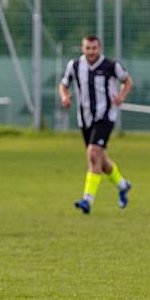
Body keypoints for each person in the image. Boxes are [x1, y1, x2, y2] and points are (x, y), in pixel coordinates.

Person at [60, 34, 133, 214]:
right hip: (84, 118)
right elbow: (64, 85)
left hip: (105, 116)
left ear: (99, 48)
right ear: (82, 48)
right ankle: (123, 185)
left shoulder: (111, 65)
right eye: (87, 48)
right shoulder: (75, 65)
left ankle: (87, 200)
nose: (91, 51)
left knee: (93, 153)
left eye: (94, 48)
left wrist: (121, 97)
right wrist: (65, 97)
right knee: (100, 159)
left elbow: (127, 81)